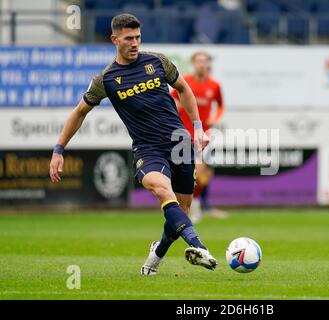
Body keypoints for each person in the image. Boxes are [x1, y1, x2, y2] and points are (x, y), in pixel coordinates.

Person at [48, 14, 217, 275]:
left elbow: (183, 89)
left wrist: (198, 129)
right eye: (129, 38)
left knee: (182, 210)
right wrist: (59, 149)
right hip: (147, 149)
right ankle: (199, 246)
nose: (135, 42)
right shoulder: (106, 79)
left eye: (138, 37)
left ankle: (157, 253)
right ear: (115, 40)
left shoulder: (158, 61)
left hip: (179, 143)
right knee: (161, 189)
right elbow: (80, 112)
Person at [172, 51, 227, 224]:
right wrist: (178, 107)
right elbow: (172, 99)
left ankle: (192, 207)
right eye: (198, 61)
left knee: (203, 173)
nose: (202, 65)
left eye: (204, 61)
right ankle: (189, 207)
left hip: (202, 135)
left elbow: (221, 106)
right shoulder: (185, 81)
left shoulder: (214, 85)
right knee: (194, 171)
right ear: (193, 63)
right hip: (183, 133)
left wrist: (214, 118)